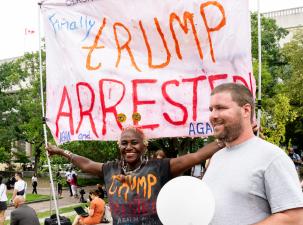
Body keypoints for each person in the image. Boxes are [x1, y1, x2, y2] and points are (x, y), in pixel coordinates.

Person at [47, 127, 222, 225]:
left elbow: (195, 157)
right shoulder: (110, 169)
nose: (128, 147)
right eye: (124, 143)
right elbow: (86, 164)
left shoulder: (159, 167)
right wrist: (62, 152)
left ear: (144, 146)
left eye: (134, 143)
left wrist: (223, 140)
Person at [203, 83, 303, 225]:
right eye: (211, 109)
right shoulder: (216, 158)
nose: (213, 115)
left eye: (220, 108)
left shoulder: (272, 157)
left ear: (246, 110)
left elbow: (294, 218)